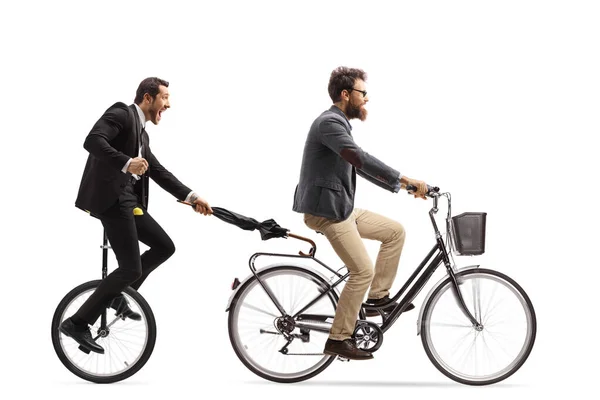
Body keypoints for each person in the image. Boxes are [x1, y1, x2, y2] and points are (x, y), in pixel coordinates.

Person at [59, 77, 213, 354]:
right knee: (131, 268)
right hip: (111, 201)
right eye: (164, 97)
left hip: (128, 202)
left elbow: (158, 171)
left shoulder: (142, 135)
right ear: (147, 97)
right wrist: (127, 163)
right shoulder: (121, 112)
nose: (168, 104)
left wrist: (192, 197)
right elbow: (92, 141)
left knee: (165, 247)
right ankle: (77, 322)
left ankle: (118, 294)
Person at [292, 67, 429, 360]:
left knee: (394, 232)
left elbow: (356, 164)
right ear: (346, 94)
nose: (366, 98)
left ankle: (377, 300)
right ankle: (338, 338)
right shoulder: (329, 123)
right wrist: (406, 179)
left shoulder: (338, 124)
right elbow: (359, 158)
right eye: (362, 93)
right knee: (362, 271)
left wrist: (401, 187)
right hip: (326, 211)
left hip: (341, 207)